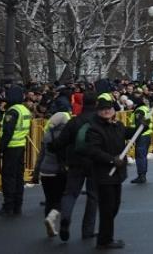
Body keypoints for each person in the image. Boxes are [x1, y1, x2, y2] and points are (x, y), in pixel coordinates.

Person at [84, 94, 131, 250]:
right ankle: (105, 240)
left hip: (117, 174)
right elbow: (93, 151)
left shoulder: (117, 125)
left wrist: (142, 125)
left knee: (114, 206)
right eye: (103, 109)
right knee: (107, 208)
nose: (106, 111)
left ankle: (105, 234)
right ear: (98, 111)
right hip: (104, 174)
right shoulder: (94, 129)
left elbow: (127, 133)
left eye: (109, 108)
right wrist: (112, 159)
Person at [54, 92, 99, 241]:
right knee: (93, 196)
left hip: (75, 161)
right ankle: (88, 230)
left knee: (70, 193)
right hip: (95, 162)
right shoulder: (99, 121)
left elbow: (61, 142)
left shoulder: (74, 121)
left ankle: (65, 218)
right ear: (96, 103)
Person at [0, 87, 37, 217]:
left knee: (8, 177)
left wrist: (0, 149)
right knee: (18, 177)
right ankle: (18, 205)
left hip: (11, 148)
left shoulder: (12, 111)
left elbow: (7, 132)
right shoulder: (24, 110)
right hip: (21, 146)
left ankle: (8, 205)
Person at [34, 111, 70, 237]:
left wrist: (36, 171)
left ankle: (50, 228)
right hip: (58, 171)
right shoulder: (66, 136)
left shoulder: (47, 134)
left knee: (49, 199)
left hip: (45, 170)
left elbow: (41, 154)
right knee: (61, 198)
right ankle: (52, 216)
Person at [130, 96, 152, 184]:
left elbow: (140, 125)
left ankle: (141, 175)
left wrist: (134, 136)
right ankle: (143, 174)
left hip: (141, 136)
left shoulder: (139, 111)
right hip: (147, 135)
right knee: (143, 156)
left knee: (140, 156)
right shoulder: (145, 109)